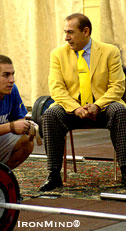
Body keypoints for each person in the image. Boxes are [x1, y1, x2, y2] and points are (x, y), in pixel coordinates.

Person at [39, 13, 126, 192]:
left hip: (103, 107)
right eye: (65, 32)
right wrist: (75, 108)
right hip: (72, 109)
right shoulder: (57, 54)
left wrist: (98, 105)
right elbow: (57, 89)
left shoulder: (110, 52)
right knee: (50, 114)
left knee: (120, 111)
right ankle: (53, 174)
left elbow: (117, 87)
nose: (66, 37)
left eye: (70, 32)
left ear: (85, 31)